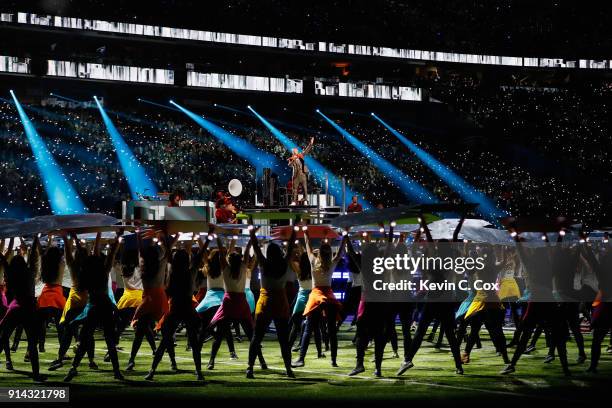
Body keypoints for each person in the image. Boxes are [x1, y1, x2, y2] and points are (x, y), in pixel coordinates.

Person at [64, 233, 123, 382]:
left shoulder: (86, 273)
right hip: (105, 306)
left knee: (84, 340)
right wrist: (116, 237)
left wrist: (77, 241)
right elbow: (111, 254)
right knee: (109, 340)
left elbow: (86, 258)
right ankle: (116, 371)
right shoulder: (103, 272)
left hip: (93, 307)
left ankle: (73, 368)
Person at [144, 239, 203, 381]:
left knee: (165, 341)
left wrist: (167, 238)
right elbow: (199, 257)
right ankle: (199, 372)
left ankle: (152, 371)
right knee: (194, 342)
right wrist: (206, 240)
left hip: (175, 308)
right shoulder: (190, 272)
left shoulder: (172, 273)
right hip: (187, 308)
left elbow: (169, 255)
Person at [292, 227, 348, 368]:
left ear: (319, 253)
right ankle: (333, 360)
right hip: (328, 296)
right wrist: (345, 235)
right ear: (329, 254)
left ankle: (301, 359)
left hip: (316, 295)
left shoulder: (313, 261)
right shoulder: (332, 263)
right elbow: (341, 251)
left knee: (308, 328)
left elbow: (308, 246)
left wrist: (306, 233)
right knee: (332, 330)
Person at [206, 238, 266, 370]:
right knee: (252, 336)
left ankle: (211, 361)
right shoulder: (243, 268)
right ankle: (262, 361)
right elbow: (244, 256)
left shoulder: (226, 269)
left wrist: (218, 238)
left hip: (228, 303)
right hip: (240, 303)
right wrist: (251, 239)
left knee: (220, 334)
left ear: (229, 261)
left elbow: (222, 254)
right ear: (240, 261)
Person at [246, 221, 295, 379]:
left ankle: (250, 368)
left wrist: (252, 229)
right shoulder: (284, 262)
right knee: (283, 339)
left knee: (257, 337)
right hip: (280, 302)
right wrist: (294, 227)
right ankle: (288, 369)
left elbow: (254, 244)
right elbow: (292, 246)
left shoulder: (263, 263)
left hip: (265, 301)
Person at [126, 231, 172, 371]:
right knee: (166, 333)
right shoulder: (161, 264)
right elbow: (168, 250)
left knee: (140, 333)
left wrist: (139, 234)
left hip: (147, 300)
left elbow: (141, 251)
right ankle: (173, 361)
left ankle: (131, 360)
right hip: (160, 300)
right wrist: (166, 237)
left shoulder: (143, 266)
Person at [0, 236, 43, 381]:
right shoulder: (30, 272)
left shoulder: (11, 273)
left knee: (3, 337)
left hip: (16, 308)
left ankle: (7, 360)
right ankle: (36, 375)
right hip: (30, 309)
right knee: (32, 343)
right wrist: (36, 238)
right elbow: (33, 257)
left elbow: (3, 260)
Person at [36, 242, 67, 353]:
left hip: (45, 295)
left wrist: (46, 241)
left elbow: (41, 253)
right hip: (57, 295)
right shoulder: (61, 263)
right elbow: (67, 252)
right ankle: (62, 352)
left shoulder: (45, 263)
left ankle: (36, 348)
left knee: (40, 325)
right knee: (60, 326)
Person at [288, 137, 314, 205]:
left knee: (304, 188)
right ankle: (293, 201)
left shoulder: (301, 156)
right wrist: (293, 159)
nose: (296, 151)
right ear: (293, 152)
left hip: (302, 174)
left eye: (296, 150)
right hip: (296, 175)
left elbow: (306, 150)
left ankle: (305, 200)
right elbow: (290, 165)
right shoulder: (292, 159)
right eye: (295, 151)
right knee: (295, 189)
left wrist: (310, 144)